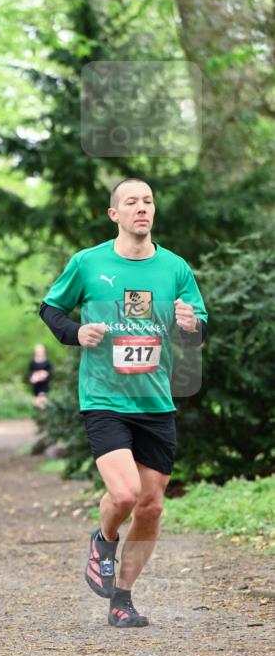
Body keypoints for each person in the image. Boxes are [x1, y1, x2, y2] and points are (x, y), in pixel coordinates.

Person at [40, 177, 207, 628]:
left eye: (148, 201)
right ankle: (104, 537)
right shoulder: (88, 263)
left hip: (155, 402)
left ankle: (122, 600)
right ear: (115, 214)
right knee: (126, 493)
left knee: (151, 507)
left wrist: (190, 324)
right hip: (105, 398)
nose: (142, 208)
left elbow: (198, 327)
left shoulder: (174, 268)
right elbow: (51, 309)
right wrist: (76, 332)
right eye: (131, 202)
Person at [28, 343, 53, 409]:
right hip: (36, 386)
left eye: (41, 351)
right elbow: (29, 373)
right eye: (38, 351)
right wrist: (32, 377)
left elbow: (51, 373)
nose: (39, 352)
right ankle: (39, 413)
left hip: (44, 385)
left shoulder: (48, 362)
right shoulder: (32, 362)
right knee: (36, 403)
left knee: (43, 401)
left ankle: (44, 412)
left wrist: (45, 374)